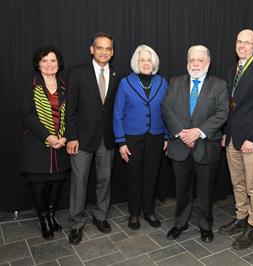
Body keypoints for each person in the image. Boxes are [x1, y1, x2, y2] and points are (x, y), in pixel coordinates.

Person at [162, 45, 229, 243]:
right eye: (192, 60)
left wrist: (198, 132)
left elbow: (222, 112)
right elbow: (166, 109)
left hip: (206, 147)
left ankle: (206, 226)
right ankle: (180, 223)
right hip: (180, 145)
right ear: (187, 62)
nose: (196, 64)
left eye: (200, 60)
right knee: (181, 189)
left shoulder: (219, 85)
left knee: (205, 191)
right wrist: (182, 133)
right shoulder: (174, 82)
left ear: (208, 63)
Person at [219, 29, 253, 250]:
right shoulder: (233, 70)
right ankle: (241, 216)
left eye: (247, 42)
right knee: (237, 182)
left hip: (251, 140)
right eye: (239, 42)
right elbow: (232, 107)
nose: (242, 46)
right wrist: (226, 132)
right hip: (233, 138)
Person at [66, 32, 120, 245]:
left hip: (107, 139)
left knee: (105, 180)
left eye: (108, 48)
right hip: (81, 139)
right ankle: (76, 224)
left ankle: (100, 216)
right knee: (79, 183)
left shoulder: (117, 75)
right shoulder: (77, 73)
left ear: (112, 52)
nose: (104, 52)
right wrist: (71, 136)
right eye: (100, 47)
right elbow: (69, 108)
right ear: (92, 49)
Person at [113, 45, 168, 230]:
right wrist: (120, 141)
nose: (146, 63)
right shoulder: (125, 82)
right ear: (137, 62)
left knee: (151, 175)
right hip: (132, 138)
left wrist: (167, 136)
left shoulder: (162, 82)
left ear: (155, 62)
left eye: (149, 59)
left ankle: (149, 211)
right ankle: (134, 213)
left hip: (156, 136)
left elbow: (167, 112)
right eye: (142, 59)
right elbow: (117, 113)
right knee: (134, 176)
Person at [21, 47, 70, 240]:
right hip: (36, 142)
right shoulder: (31, 85)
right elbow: (26, 115)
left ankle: (51, 215)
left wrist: (65, 136)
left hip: (61, 142)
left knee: (57, 182)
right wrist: (48, 136)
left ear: (59, 64)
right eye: (44, 61)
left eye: (53, 60)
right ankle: (43, 220)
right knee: (39, 184)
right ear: (38, 64)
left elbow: (71, 113)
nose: (49, 64)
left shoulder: (65, 86)